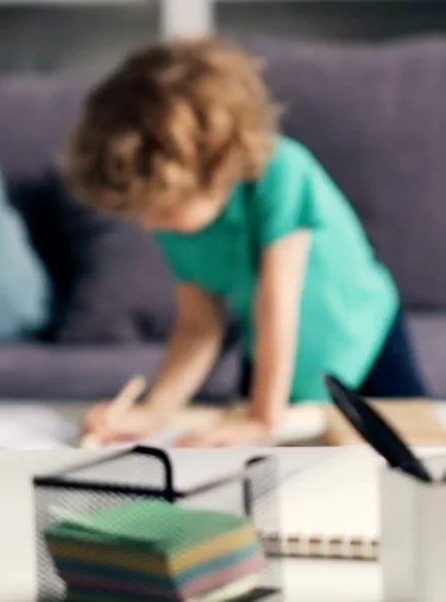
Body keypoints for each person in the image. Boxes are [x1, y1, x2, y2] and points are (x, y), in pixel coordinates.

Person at [63, 36, 426, 447]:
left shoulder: (282, 173)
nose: (149, 225)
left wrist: (262, 417)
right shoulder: (177, 218)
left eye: (160, 210)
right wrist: (152, 412)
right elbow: (200, 327)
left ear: (213, 164)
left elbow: (278, 301)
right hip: (275, 365)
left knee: (411, 457)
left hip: (364, 346)